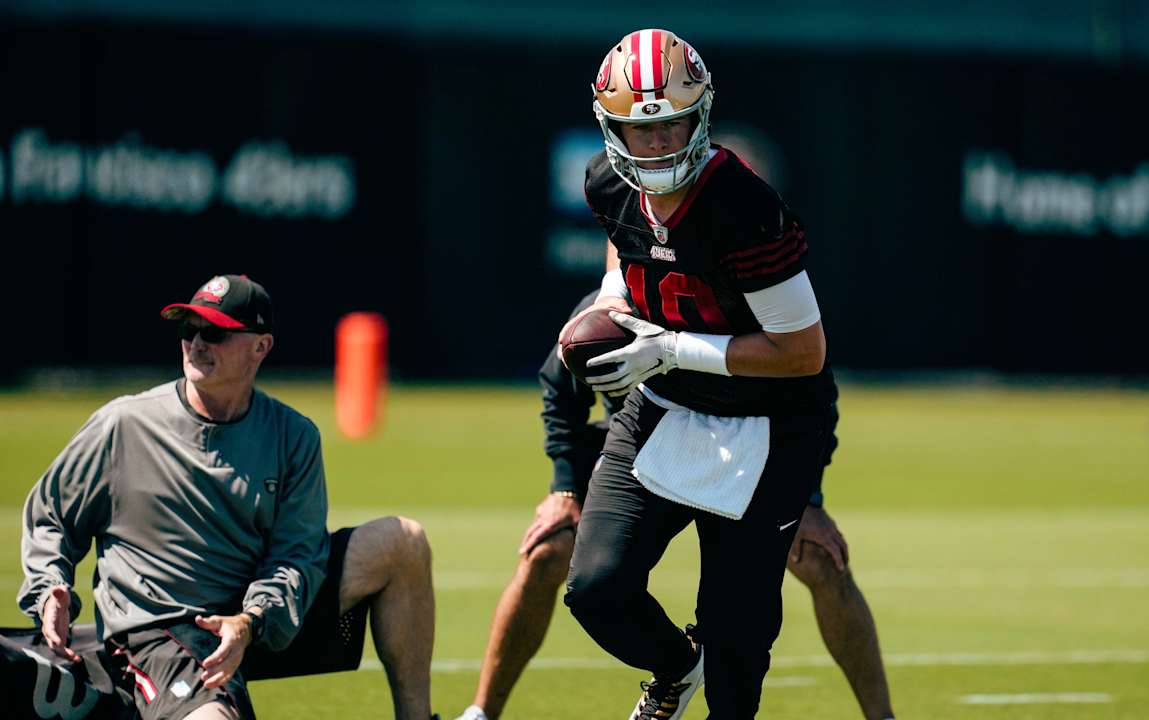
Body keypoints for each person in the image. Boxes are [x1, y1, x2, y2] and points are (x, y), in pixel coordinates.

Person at [547, 28, 890, 719]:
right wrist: (614, 302)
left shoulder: (745, 210)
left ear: (699, 116)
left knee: (738, 641)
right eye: (637, 132)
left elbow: (802, 352)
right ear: (608, 128)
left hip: (770, 419)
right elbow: (626, 255)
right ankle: (676, 666)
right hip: (666, 403)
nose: (655, 147)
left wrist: (672, 348)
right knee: (596, 587)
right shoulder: (606, 183)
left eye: (671, 126)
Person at [16, 275, 439, 720]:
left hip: (257, 617)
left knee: (402, 543)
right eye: (188, 330)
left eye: (214, 332)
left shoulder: (293, 436)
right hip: (167, 627)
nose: (197, 343)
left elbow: (298, 555)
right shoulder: (123, 424)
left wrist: (252, 619)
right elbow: (50, 517)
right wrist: (51, 588)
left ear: (261, 347)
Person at [455, 293, 894, 720]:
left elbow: (811, 388)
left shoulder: (741, 305)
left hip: (737, 443)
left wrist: (808, 499)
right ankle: (482, 711)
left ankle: (882, 716)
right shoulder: (606, 313)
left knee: (818, 558)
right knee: (549, 550)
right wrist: (565, 489)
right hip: (636, 438)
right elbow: (559, 387)